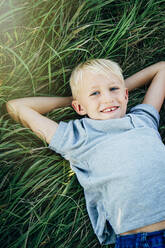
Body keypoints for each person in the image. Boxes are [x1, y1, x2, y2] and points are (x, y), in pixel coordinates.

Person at [6, 59, 165, 248]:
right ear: (79, 107)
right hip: (142, 240)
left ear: (126, 95)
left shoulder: (142, 119)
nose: (107, 99)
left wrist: (114, 91)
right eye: (95, 93)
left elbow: (162, 69)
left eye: (113, 89)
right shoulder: (77, 137)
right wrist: (72, 101)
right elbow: (17, 107)